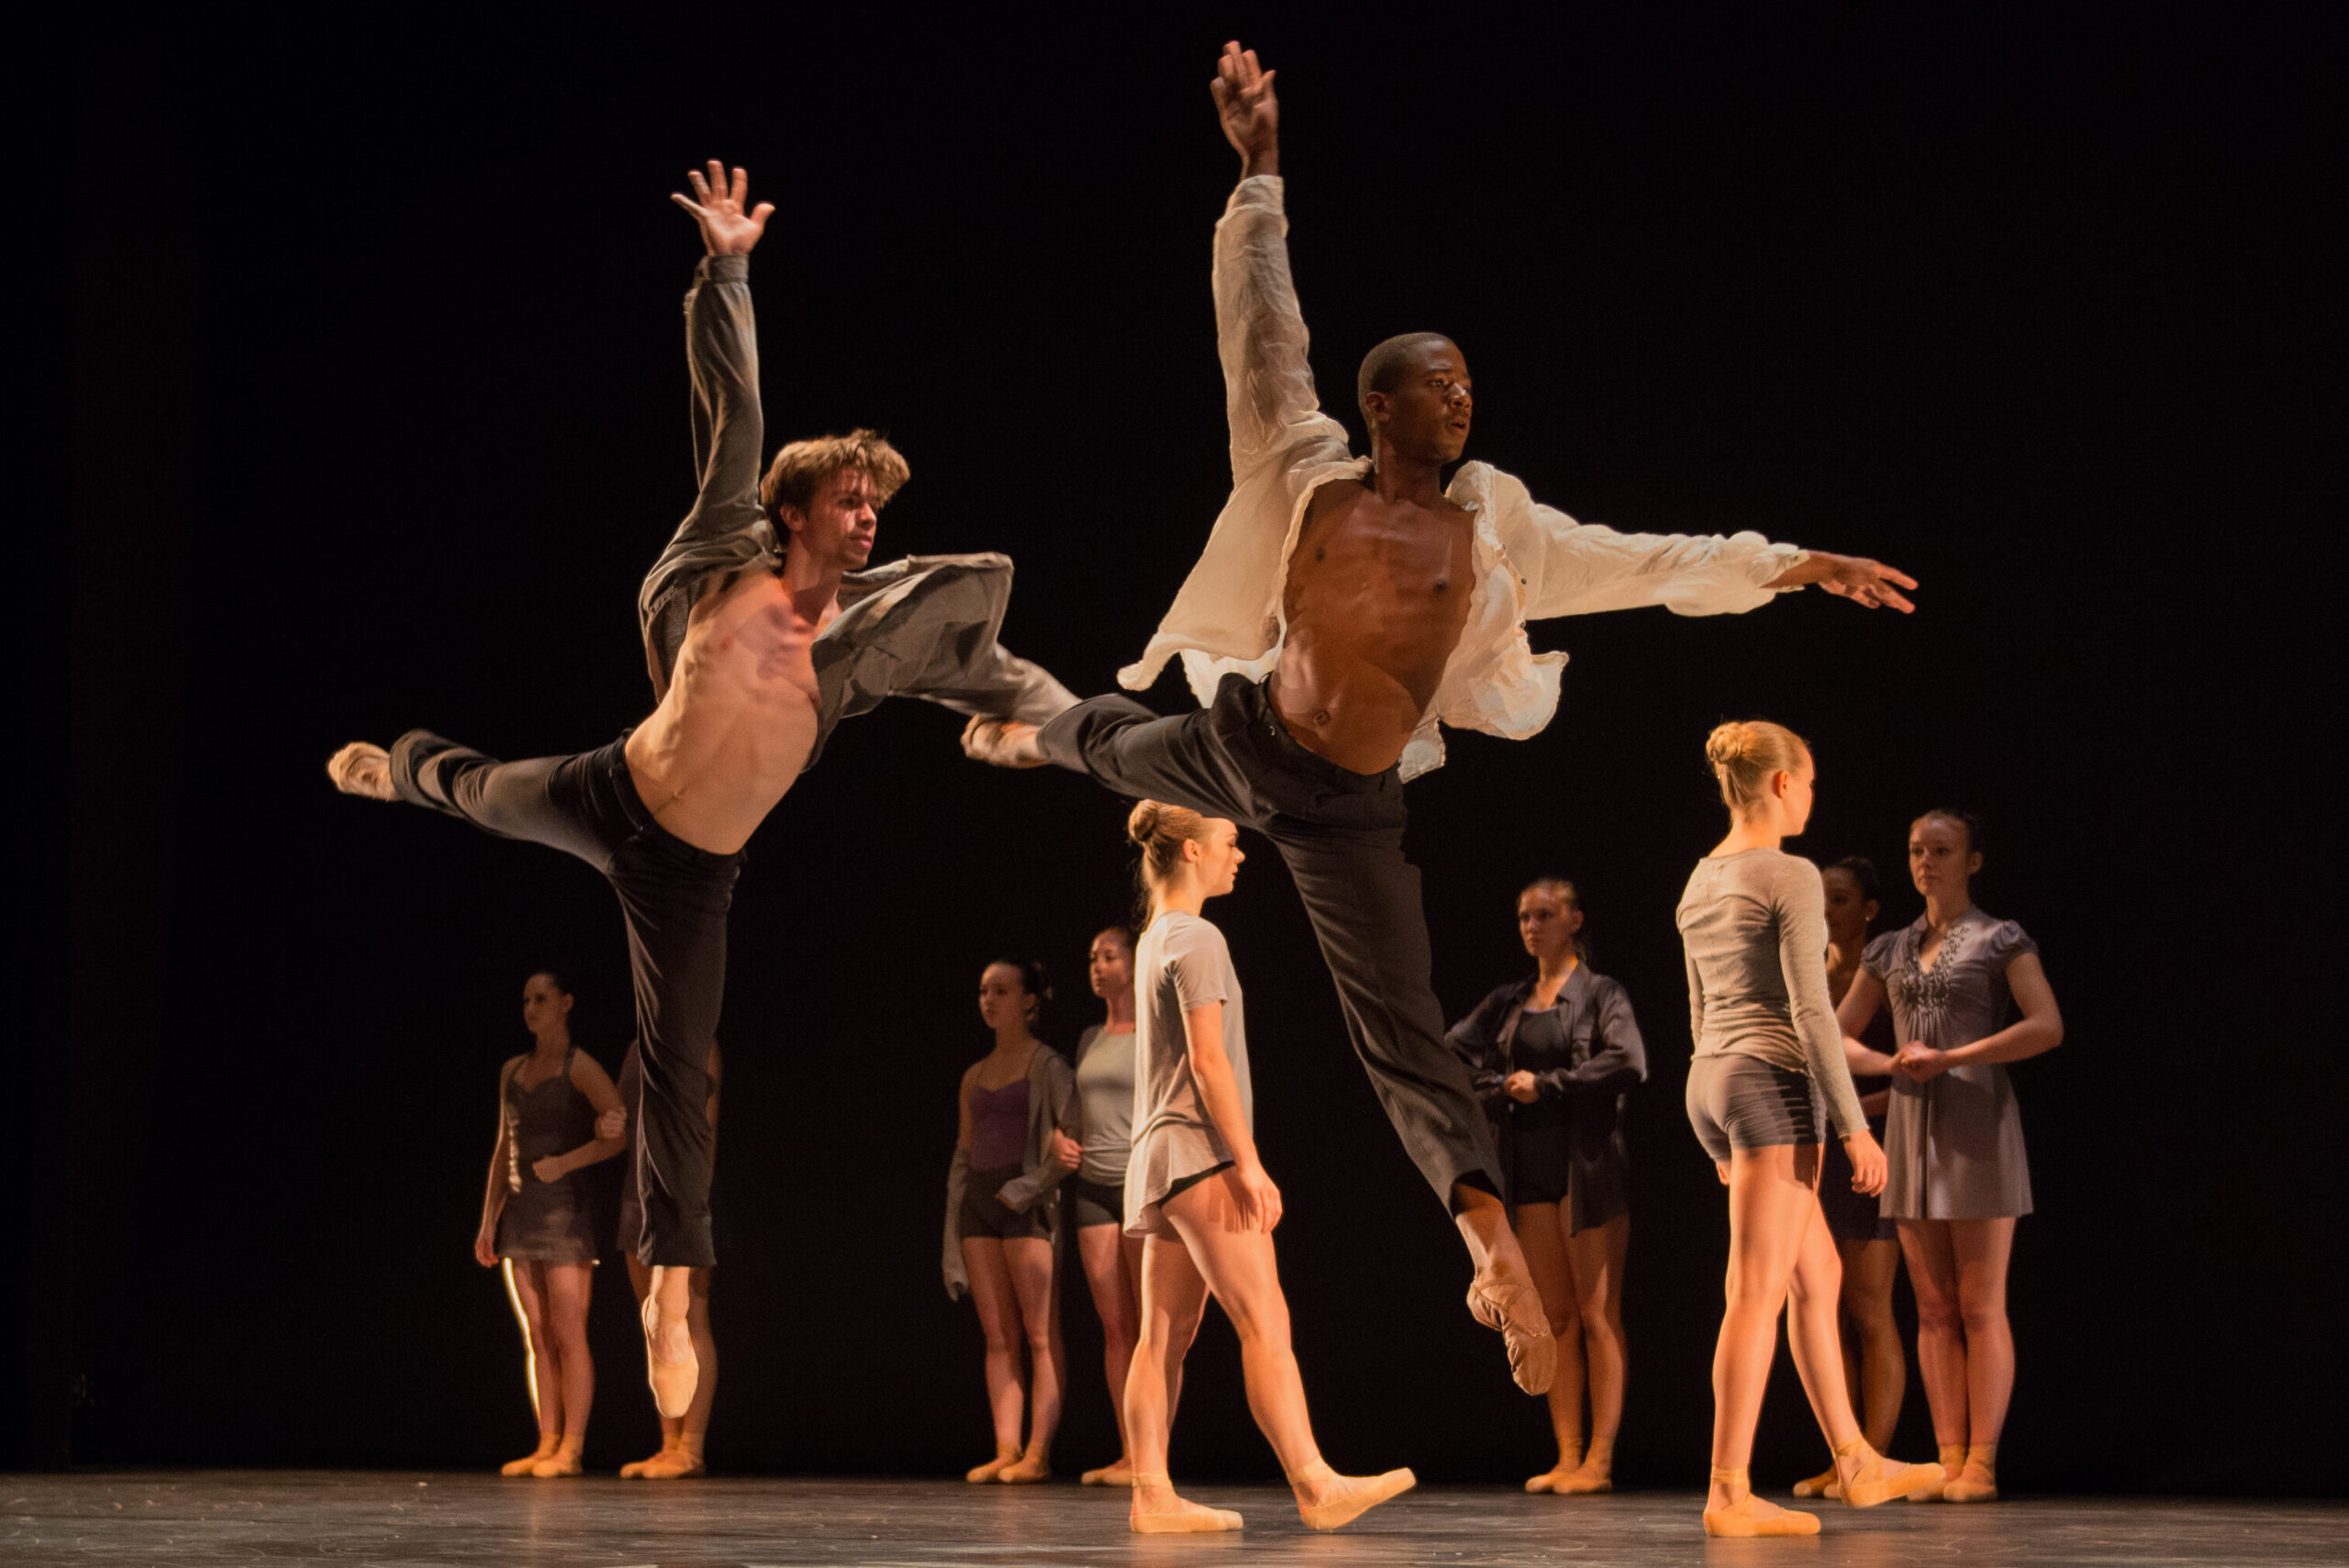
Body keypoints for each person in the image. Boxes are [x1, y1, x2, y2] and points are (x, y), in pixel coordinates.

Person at [963, 41, 1917, 1396]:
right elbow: (1261, 334)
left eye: (1471, 381)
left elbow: (1639, 561)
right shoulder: (1307, 474)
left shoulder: (1494, 523)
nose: (1463, 397)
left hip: (1348, 803)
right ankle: (1020, 726)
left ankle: (1486, 1249)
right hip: (1247, 740)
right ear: (1379, 405)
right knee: (1109, 737)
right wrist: (1258, 174)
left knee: (1400, 1032)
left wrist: (1783, 563)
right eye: (1438, 381)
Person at [328, 162, 1074, 1416]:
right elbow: (731, 409)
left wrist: (1060, 728)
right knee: (482, 789)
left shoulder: (860, 654)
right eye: (849, 499)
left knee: (676, 1066)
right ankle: (398, 768)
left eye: (877, 504)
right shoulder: (727, 569)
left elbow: (987, 666)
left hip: (693, 872)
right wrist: (727, 266)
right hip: (613, 789)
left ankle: (671, 1292)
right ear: (792, 509)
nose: (868, 517)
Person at [1675, 723, 1943, 1537]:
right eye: (1813, 782)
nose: (1814, 798)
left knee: (1816, 1276)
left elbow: (1698, 1005)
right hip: (1770, 1082)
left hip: (1713, 1077)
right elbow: (1809, 1011)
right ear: (1783, 784)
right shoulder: (1787, 872)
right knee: (1753, 1292)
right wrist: (1854, 1129)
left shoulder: (1700, 876)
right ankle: (1728, 1490)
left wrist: (1714, 1132)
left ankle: (1856, 1459)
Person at [1119, 800, 1415, 1533]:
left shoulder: (1154, 937)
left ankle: (1151, 1493)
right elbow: (1207, 1058)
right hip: (1197, 1148)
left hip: (1156, 1157)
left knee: (1163, 1333)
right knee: (1264, 1317)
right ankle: (1314, 1481)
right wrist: (1246, 1161)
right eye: (1227, 841)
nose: (1238, 853)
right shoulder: (1198, 935)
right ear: (1189, 851)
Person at [1836, 810, 2064, 1505]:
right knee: (1932, 1307)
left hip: (1976, 1123)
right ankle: (1947, 1456)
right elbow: (1835, 1036)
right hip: (1911, 1127)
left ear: (1973, 860)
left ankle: (1983, 1463)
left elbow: (2046, 1025)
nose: (1927, 862)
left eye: (1943, 850)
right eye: (1916, 851)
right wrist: (1891, 1060)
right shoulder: (1890, 948)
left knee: (1978, 1303)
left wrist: (1953, 1056)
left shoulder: (2001, 937)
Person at [1447, 880, 1645, 1495]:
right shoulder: (1510, 1001)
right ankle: (1567, 1453)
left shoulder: (1600, 992)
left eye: (1545, 914)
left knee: (1596, 1314)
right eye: (1524, 915)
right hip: (1529, 1169)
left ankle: (1601, 1459)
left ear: (1574, 919)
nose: (1532, 925)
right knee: (1555, 1316)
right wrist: (1499, 1084)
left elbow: (1630, 1060)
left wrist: (1550, 1082)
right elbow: (1450, 1050)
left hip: (1585, 1170)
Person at [473, 972, 627, 1478]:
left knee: (568, 1332)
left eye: (541, 998)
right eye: (525, 1000)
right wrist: (487, 1222)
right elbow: (503, 1149)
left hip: (565, 1215)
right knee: (537, 1335)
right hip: (520, 1215)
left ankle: (573, 1448)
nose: (531, 1007)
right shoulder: (512, 1070)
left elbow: (617, 1134)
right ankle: (546, 1441)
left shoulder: (578, 1066)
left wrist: (566, 1163)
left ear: (565, 1003)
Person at [1790, 856, 1909, 1500]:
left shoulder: (1887, 972)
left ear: (1867, 908)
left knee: (1869, 1303)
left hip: (1875, 1145)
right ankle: (1846, 1455)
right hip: (1813, 1149)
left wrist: (1855, 1117)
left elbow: (1907, 1075)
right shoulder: (1805, 967)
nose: (1826, 910)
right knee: (1820, 1304)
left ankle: (1877, 1454)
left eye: (1838, 899)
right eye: (1819, 899)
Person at [943, 961, 1078, 1485]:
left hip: (1025, 1201)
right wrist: (952, 1227)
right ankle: (1006, 1446)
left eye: (1001, 990)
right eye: (982, 991)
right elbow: (963, 1152)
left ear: (1028, 1000)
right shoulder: (974, 1074)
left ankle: (1038, 1453)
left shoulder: (1048, 1066)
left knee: (1040, 1334)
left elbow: (1069, 1146)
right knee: (998, 1337)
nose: (989, 1000)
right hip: (980, 1198)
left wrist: (1029, 1187)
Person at [1068, 926, 1152, 1487]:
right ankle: (1127, 1453)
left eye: (1108, 956)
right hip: (1092, 1186)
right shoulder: (1088, 1038)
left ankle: (1153, 1457)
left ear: (1132, 961)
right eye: (1092, 957)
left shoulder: (1154, 1032)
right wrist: (1059, 1137)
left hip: (1139, 1183)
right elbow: (1078, 1108)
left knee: (1152, 1327)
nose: (1098, 965)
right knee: (1115, 1326)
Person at [616, 1039, 721, 1479]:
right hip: (638, 1197)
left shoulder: (702, 1045)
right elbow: (623, 1119)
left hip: (682, 1199)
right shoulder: (636, 1047)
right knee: (653, 1319)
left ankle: (691, 1448)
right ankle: (668, 1444)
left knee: (691, 1317)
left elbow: (705, 1133)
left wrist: (691, 1208)